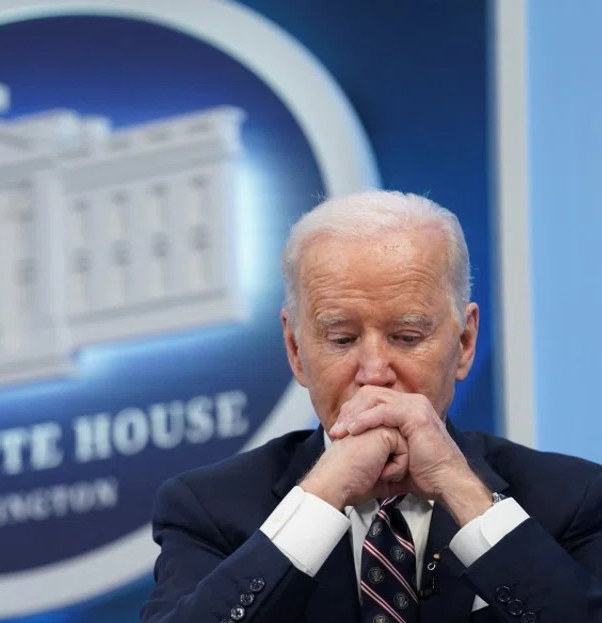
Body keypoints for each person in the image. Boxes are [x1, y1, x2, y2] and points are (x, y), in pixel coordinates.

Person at [139, 190, 602, 623]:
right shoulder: (209, 508)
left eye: (407, 337)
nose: (374, 371)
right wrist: (320, 497)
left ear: (464, 342)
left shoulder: (571, 498)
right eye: (342, 339)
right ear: (296, 350)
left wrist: (463, 492)